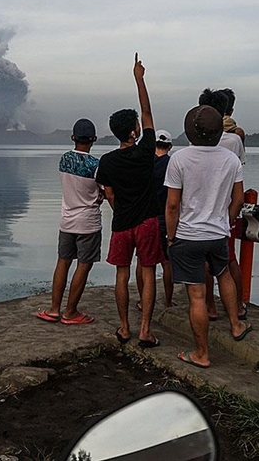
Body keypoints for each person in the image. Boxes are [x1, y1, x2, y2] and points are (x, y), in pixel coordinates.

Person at [165, 104, 252, 368]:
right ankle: (236, 324)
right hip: (218, 233)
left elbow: (171, 205)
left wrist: (171, 236)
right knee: (223, 273)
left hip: (188, 235)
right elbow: (238, 198)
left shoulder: (179, 159)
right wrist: (226, 221)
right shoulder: (231, 159)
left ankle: (201, 353)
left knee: (197, 296)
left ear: (190, 131)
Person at [96, 54, 164, 347]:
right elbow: (147, 111)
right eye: (138, 124)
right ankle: (146, 330)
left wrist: (121, 209)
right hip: (148, 222)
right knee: (147, 275)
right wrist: (139, 79)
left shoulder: (107, 161)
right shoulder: (148, 148)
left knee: (121, 276)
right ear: (135, 132)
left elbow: (109, 194)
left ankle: (124, 328)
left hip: (122, 223)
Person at [36, 118, 102, 325]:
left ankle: (54, 309)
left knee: (63, 262)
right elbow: (103, 192)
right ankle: (71, 312)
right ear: (94, 140)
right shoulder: (96, 166)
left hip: (66, 220)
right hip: (88, 223)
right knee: (84, 265)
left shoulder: (64, 159)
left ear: (73, 138)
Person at [197, 89, 247, 320]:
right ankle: (237, 307)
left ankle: (210, 306)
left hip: (201, 210)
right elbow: (239, 177)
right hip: (226, 209)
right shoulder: (235, 139)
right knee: (229, 261)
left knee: (205, 263)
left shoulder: (195, 139)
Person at [135, 129, 175, 309]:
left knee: (142, 261)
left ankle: (143, 301)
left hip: (144, 217)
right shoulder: (172, 165)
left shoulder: (143, 164)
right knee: (167, 262)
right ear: (170, 146)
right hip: (165, 218)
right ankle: (167, 301)